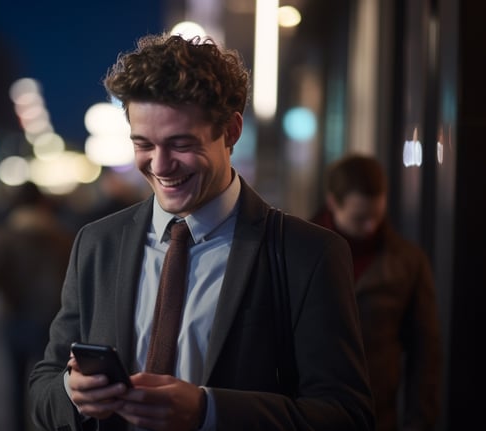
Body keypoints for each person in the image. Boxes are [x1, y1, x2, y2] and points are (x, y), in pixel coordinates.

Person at [29, 33, 375, 430]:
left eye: (180, 143)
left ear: (230, 131)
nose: (160, 165)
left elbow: (347, 416)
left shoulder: (308, 254)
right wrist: (72, 394)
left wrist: (208, 412)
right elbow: (42, 388)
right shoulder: (97, 243)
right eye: (143, 144)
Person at [310, 154, 442, 431]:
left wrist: (419, 421)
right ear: (334, 203)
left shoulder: (407, 262)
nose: (370, 227)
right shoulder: (300, 251)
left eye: (376, 216)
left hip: (376, 415)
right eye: (360, 218)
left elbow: (425, 352)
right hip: (308, 412)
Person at [0, 182, 74, 431]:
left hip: (14, 317)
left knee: (16, 383)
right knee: (54, 383)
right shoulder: (61, 236)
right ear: (42, 203)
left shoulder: (2, 237)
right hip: (53, 321)